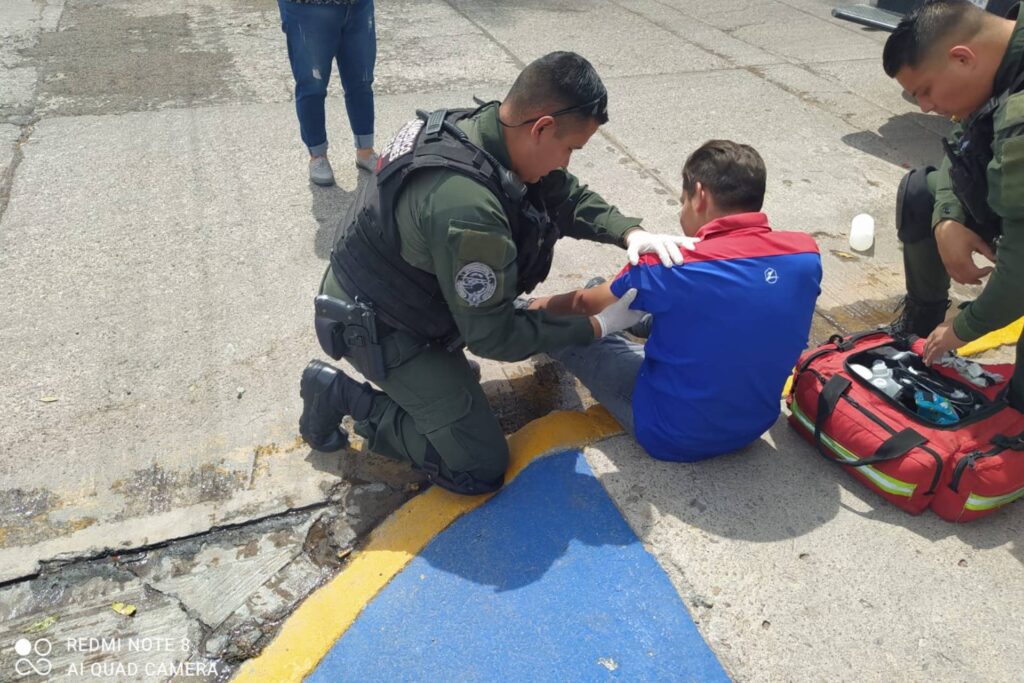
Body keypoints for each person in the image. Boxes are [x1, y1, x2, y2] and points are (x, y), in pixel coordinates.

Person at [298, 52, 694, 494]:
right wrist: (595, 328)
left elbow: (566, 195)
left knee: (468, 377)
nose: (566, 163)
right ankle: (340, 395)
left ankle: (438, 375)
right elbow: (493, 336)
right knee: (477, 465)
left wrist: (630, 233)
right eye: (570, 149)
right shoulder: (468, 212)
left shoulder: (490, 130)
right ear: (541, 127)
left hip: (409, 297)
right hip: (378, 325)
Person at [533, 141, 822, 462]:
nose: (681, 208)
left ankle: (544, 329)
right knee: (700, 310)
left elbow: (587, 304)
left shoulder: (667, 266)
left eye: (682, 200)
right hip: (752, 426)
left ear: (699, 195)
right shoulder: (805, 254)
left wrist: (518, 309)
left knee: (577, 325)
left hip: (673, 433)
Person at [883, 0, 1024, 410]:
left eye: (925, 91)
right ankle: (924, 323)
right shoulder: (1000, 58)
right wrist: (947, 220)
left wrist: (965, 327)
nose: (926, 107)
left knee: (1017, 409)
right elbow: (960, 151)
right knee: (921, 192)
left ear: (962, 58)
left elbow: (1019, 272)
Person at [278, 0, 378, 186]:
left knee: (362, 80)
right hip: (306, 7)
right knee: (312, 86)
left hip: (358, 6)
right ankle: (317, 156)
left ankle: (365, 150)